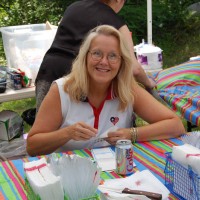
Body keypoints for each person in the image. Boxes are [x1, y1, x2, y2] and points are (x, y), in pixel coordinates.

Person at [27, 25, 185, 156]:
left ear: (121, 62)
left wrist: (132, 134)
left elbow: (176, 125)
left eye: (113, 56)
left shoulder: (127, 88)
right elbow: (32, 146)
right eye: (97, 53)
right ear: (85, 57)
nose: (104, 62)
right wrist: (67, 133)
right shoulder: (62, 90)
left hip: (117, 174)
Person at [35, 0, 156, 112]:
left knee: (43, 128)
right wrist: (148, 83)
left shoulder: (73, 7)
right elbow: (135, 69)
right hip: (78, 78)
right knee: (80, 131)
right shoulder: (116, 22)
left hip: (48, 70)